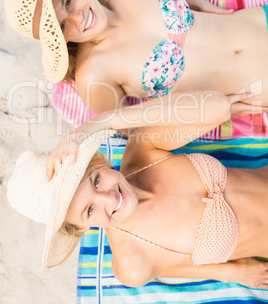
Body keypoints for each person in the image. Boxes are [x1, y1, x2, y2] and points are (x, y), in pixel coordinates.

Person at [7, 90, 268, 289]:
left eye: (96, 180)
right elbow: (161, 269)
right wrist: (229, 273)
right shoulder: (132, 262)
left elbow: (212, 107)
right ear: (81, 229)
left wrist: (97, 124)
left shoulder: (143, 151)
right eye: (89, 210)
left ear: (98, 163)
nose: (109, 198)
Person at [5, 0, 268, 118]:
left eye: (68, 2)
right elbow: (133, 128)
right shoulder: (94, 75)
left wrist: (191, 2)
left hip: (259, 19)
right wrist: (213, 112)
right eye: (62, 26)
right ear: (59, 42)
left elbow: (159, 1)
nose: (77, 17)